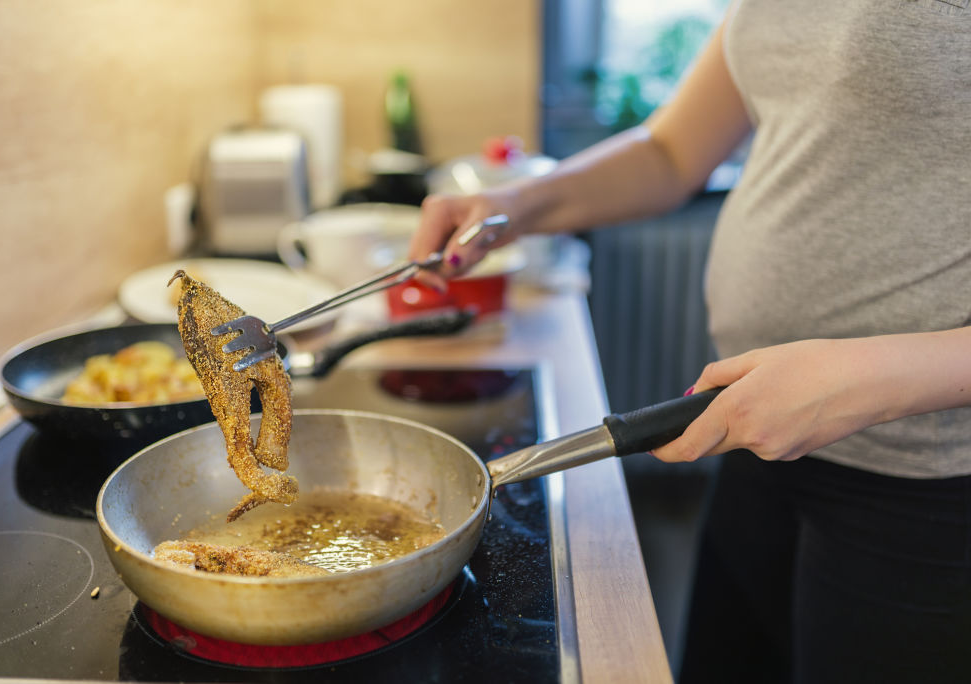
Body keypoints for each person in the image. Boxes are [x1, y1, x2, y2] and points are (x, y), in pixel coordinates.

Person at [407, 1, 971, 682]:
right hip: (765, 435)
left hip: (925, 486)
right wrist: (516, 207)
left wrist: (858, 380)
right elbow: (671, 152)